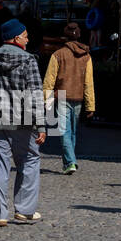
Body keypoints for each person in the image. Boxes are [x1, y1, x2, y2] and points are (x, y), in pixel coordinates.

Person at [0, 18, 46, 226]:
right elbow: (35, 94)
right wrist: (41, 124)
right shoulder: (29, 60)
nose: (28, 39)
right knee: (30, 160)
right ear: (16, 38)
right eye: (25, 35)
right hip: (23, 118)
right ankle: (24, 210)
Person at [43, 22, 95, 174]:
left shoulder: (58, 55)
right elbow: (89, 83)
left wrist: (46, 100)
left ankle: (70, 162)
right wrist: (90, 105)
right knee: (72, 131)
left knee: (64, 131)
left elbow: (49, 80)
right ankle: (69, 162)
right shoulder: (86, 56)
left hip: (63, 96)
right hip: (78, 96)